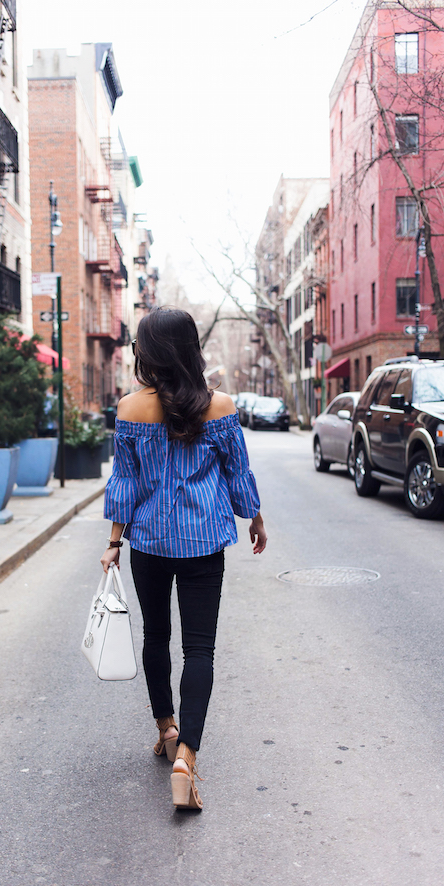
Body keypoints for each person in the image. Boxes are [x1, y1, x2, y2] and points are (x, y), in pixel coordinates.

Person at [101, 307, 266, 810]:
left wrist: (113, 540)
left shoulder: (129, 409)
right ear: (190, 349)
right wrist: (253, 516)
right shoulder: (219, 406)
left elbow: (124, 483)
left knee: (156, 636)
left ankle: (166, 727)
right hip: (203, 545)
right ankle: (186, 757)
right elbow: (237, 471)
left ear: (148, 353)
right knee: (200, 649)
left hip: (148, 544)